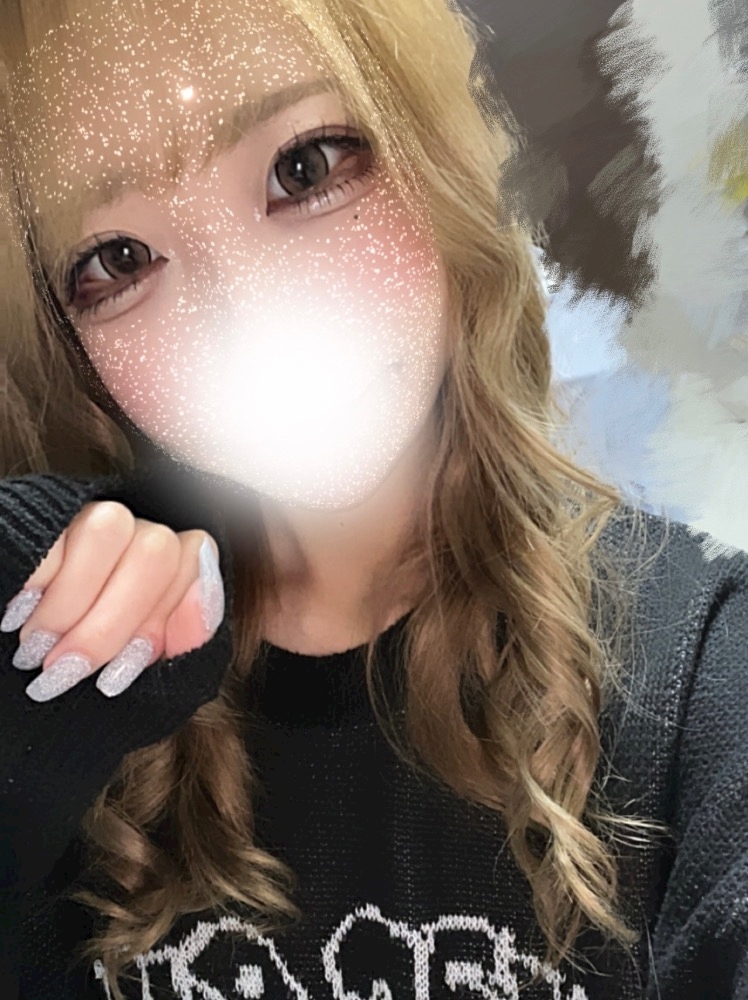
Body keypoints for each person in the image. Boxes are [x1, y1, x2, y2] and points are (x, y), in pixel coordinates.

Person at [0, 0, 746, 998]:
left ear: (431, 158)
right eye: (119, 261)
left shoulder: (703, 673)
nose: (248, 317)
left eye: (305, 168)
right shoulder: (64, 692)